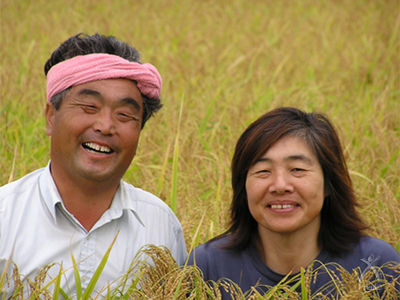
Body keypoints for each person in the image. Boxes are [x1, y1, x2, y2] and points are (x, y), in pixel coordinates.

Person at [0, 33, 187, 297]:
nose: (105, 126)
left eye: (125, 115)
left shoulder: (161, 225)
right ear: (51, 117)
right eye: (89, 106)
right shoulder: (5, 217)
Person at [187, 107, 400, 298]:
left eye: (297, 169)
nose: (280, 185)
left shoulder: (376, 266)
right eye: (263, 171)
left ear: (328, 184)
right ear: (243, 187)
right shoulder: (208, 267)